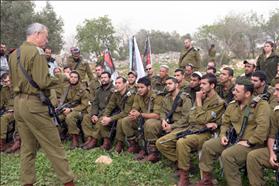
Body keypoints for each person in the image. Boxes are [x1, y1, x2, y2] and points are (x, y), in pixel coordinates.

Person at [8, 23, 74, 186]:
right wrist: (63, 77)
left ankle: (27, 182)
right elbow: (43, 82)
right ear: (37, 34)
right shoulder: (37, 53)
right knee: (54, 146)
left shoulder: (14, 54)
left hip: (19, 104)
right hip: (34, 105)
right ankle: (69, 182)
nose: (46, 39)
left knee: (27, 148)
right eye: (45, 35)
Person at [196, 79, 270, 186]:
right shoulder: (232, 105)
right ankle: (207, 179)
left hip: (253, 144)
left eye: (237, 91)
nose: (233, 92)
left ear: (247, 94)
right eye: (234, 90)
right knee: (208, 145)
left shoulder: (261, 105)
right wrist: (222, 135)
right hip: (234, 139)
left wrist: (250, 142)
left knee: (228, 155)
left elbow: (263, 128)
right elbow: (225, 123)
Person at [157, 73, 225, 186]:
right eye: (201, 83)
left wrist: (198, 102)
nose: (201, 85)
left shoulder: (218, 102)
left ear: (212, 85)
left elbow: (202, 119)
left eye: (204, 83)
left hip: (205, 133)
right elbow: (191, 117)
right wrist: (200, 116)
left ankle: (184, 176)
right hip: (191, 128)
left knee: (182, 142)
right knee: (161, 143)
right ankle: (185, 164)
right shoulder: (202, 97)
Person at [246, 77, 279, 186]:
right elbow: (272, 136)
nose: (275, 94)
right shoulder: (276, 112)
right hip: (277, 150)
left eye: (278, 90)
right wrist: (271, 153)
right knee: (253, 157)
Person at [121, 77, 162, 157]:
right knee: (126, 121)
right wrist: (132, 113)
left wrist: (140, 115)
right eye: (138, 87)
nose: (139, 89)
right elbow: (134, 108)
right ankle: (135, 146)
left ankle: (153, 152)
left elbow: (157, 115)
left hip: (156, 121)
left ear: (149, 87)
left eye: (142, 87)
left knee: (149, 123)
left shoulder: (157, 96)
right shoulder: (138, 95)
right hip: (143, 118)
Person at [100, 76, 135, 152]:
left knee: (120, 121)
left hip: (130, 114)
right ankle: (107, 141)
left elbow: (126, 112)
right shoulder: (116, 93)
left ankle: (120, 143)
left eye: (119, 83)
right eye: (116, 83)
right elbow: (110, 106)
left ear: (125, 84)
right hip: (120, 113)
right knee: (102, 118)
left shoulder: (130, 95)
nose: (117, 85)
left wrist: (110, 119)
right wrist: (105, 116)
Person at [81, 71, 114, 149]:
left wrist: (98, 116)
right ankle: (89, 138)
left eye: (105, 77)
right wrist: (94, 114)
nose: (103, 79)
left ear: (109, 78)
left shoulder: (113, 90)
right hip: (98, 112)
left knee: (100, 120)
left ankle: (94, 140)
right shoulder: (99, 90)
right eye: (102, 78)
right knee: (86, 117)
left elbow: (110, 106)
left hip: (108, 113)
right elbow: (95, 103)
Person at [58, 71, 90, 149]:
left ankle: (75, 139)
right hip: (67, 109)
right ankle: (59, 137)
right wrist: (62, 109)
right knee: (57, 118)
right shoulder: (66, 88)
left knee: (70, 117)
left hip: (81, 112)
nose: (73, 79)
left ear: (78, 79)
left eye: (75, 77)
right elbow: (63, 101)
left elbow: (84, 105)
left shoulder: (83, 90)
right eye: (71, 77)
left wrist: (71, 109)